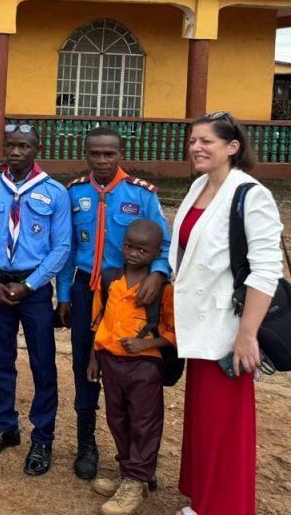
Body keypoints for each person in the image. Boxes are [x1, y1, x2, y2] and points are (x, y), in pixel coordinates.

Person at [170, 111, 283, 515]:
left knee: (225, 425)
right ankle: (204, 498)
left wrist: (247, 334)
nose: (196, 148)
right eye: (193, 141)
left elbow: (266, 269)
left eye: (206, 142)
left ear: (232, 147)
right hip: (198, 320)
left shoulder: (250, 194)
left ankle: (225, 507)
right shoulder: (200, 185)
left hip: (228, 327)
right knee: (204, 420)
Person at [56, 126, 171, 480]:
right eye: (95, 154)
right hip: (83, 291)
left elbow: (163, 244)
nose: (102, 160)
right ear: (86, 154)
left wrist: (158, 274)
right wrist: (63, 294)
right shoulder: (74, 193)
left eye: (109, 154)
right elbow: (68, 248)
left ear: (121, 154)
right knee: (85, 367)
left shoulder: (143, 194)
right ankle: (86, 443)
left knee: (132, 372)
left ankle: (137, 458)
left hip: (131, 296)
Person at [0, 124, 71, 476]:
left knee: (43, 365)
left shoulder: (55, 193)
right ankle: (6, 427)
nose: (16, 152)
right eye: (11, 146)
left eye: (24, 146)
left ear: (36, 148)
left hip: (34, 291)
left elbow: (61, 247)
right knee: (1, 360)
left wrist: (30, 286)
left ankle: (42, 438)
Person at [86, 219, 174, 515]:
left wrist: (146, 345)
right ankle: (128, 473)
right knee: (117, 418)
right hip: (111, 363)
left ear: (156, 252)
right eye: (129, 246)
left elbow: (176, 332)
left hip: (144, 367)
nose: (133, 253)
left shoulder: (163, 288)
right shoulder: (110, 279)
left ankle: (138, 482)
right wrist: (94, 356)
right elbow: (98, 322)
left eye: (142, 249)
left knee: (144, 423)